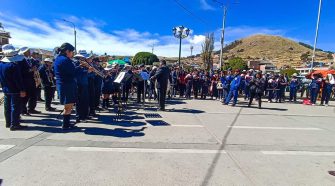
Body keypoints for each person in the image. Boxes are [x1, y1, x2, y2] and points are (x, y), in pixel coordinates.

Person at [0, 44, 27, 130]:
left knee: (7, 106)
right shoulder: (14, 66)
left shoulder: (1, 64)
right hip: (15, 89)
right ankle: (14, 124)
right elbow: (18, 79)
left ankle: (8, 122)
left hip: (6, 88)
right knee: (15, 106)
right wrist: (22, 89)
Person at [53, 43, 77, 130]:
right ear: (67, 51)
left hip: (64, 84)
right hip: (66, 85)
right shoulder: (65, 60)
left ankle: (66, 123)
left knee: (68, 106)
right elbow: (73, 72)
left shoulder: (59, 58)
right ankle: (65, 125)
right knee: (68, 106)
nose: (73, 54)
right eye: (72, 52)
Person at [19, 47, 40, 115]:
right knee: (25, 97)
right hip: (26, 81)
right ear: (24, 52)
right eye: (28, 51)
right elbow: (22, 71)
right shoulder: (21, 60)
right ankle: (23, 110)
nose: (30, 52)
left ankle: (30, 109)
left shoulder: (29, 60)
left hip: (31, 80)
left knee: (31, 95)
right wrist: (31, 70)